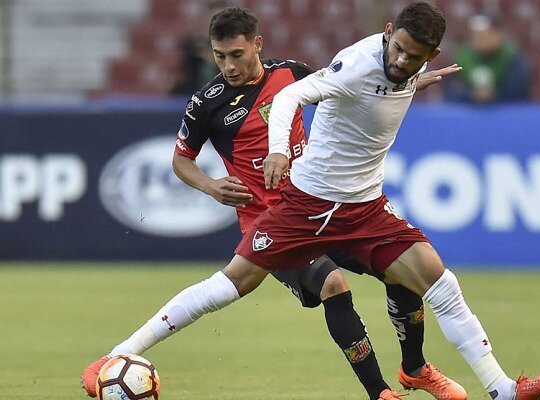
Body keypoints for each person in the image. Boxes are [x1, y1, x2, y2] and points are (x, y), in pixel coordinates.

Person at [82, 7, 467, 400]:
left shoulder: (290, 73)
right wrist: (212, 187)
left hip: (322, 204)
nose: (229, 66)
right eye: (220, 56)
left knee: (401, 271)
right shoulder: (207, 102)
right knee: (333, 284)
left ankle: (415, 368)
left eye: (237, 54)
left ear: (257, 45)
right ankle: (380, 392)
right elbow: (181, 160)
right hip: (272, 220)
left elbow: (350, 90)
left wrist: (407, 82)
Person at [444, 12, 531, 104]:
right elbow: (452, 91)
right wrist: (472, 95)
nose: (480, 39)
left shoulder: (512, 57)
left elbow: (517, 91)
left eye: (485, 35)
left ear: (498, 34)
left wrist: (494, 95)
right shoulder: (462, 57)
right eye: (476, 35)